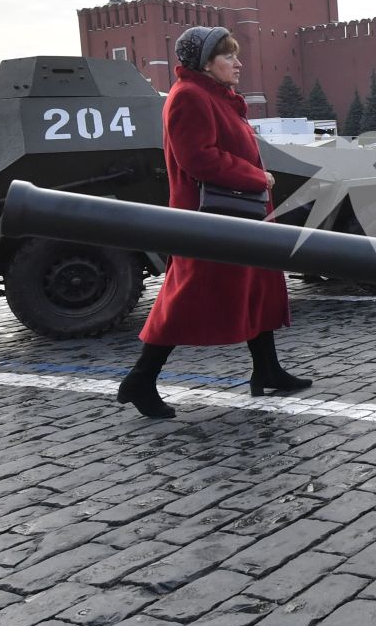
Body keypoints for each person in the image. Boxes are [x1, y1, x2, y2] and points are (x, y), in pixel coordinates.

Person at [116, 25, 310, 420]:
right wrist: (257, 177)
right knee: (186, 296)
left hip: (237, 213)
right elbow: (199, 159)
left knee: (258, 285)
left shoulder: (215, 96)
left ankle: (267, 369)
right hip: (208, 219)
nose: (238, 63)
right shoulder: (189, 97)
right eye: (228, 56)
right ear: (205, 63)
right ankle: (141, 378)